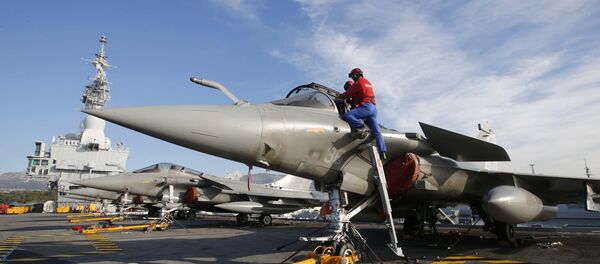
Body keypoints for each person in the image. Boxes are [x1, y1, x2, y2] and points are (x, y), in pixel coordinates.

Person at [337, 68, 387, 159]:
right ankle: (382, 151)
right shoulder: (367, 82)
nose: (353, 78)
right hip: (373, 108)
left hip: (366, 107)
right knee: (376, 131)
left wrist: (339, 97)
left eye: (353, 76)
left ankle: (361, 126)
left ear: (356, 75)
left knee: (347, 116)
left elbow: (347, 94)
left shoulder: (358, 83)